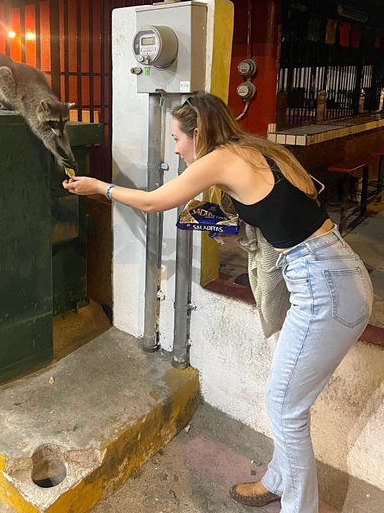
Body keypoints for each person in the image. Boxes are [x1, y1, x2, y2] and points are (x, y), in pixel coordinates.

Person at [63, 91, 373, 513]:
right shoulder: (256, 150)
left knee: (285, 407)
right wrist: (230, 228)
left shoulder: (221, 157)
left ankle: (300, 507)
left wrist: (100, 187)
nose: (175, 148)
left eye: (177, 138)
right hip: (338, 274)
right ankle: (279, 480)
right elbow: (287, 212)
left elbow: (155, 201)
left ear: (199, 133)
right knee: (287, 402)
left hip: (325, 287)